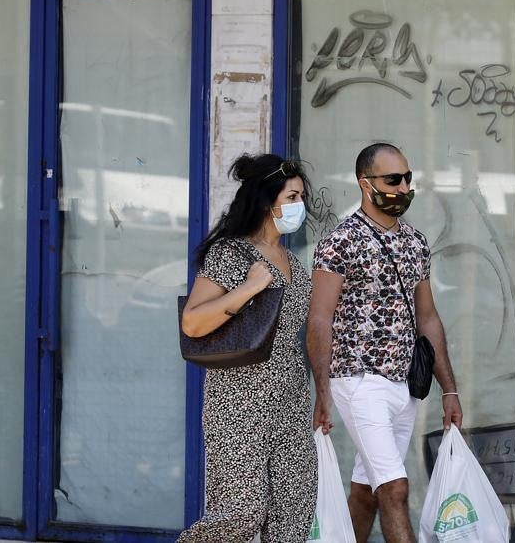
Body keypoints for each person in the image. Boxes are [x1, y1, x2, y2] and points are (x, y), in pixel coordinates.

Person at [308, 142, 463, 543]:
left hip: (404, 384)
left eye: (408, 179)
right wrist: (322, 391)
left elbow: (428, 317)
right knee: (395, 488)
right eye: (393, 180)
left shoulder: (415, 242)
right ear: (365, 183)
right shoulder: (340, 242)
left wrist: (450, 389)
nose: (403, 188)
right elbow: (320, 317)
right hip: (357, 379)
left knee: (367, 493)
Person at [177, 153, 318, 543]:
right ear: (265, 200)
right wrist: (249, 288)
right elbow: (192, 322)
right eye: (291, 197)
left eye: (301, 197)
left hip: (290, 401)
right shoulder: (232, 254)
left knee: (294, 511)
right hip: (239, 401)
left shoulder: (293, 261)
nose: (299, 206)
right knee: (240, 512)